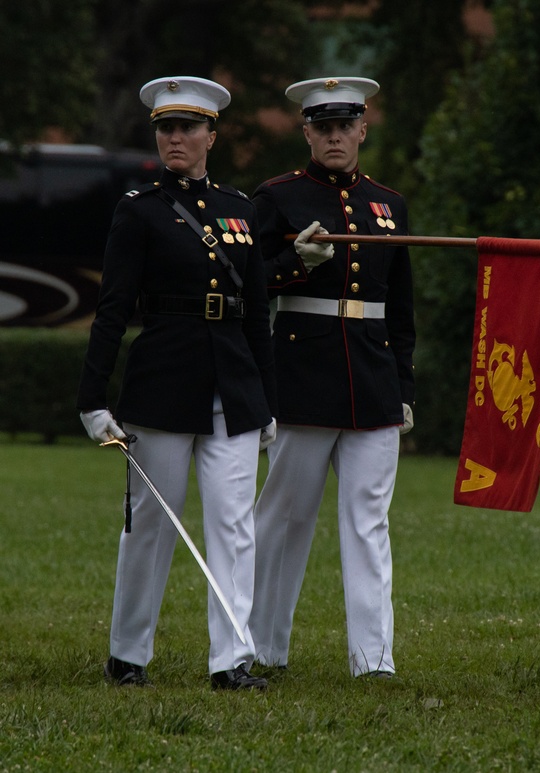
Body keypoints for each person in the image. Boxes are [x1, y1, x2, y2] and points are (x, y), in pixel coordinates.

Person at [77, 76, 277, 690]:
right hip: (162, 385)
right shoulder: (138, 209)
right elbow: (112, 308)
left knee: (235, 525)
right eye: (166, 128)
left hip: (234, 388)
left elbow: (258, 313)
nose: (175, 138)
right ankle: (128, 653)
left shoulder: (242, 210)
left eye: (188, 127)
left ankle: (232, 660)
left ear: (211, 135)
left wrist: (267, 402)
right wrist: (91, 398)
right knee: (150, 526)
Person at [249, 77, 415, 678]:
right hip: (301, 374)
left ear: (363, 130)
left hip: (372, 380)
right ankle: (264, 647)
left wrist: (405, 386)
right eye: (323, 127)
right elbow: (248, 284)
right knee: (285, 518)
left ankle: (373, 659)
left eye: (346, 126)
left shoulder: (388, 204)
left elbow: (401, 306)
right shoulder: (275, 197)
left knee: (369, 522)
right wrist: (295, 263)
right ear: (307, 133)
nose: (335, 136)